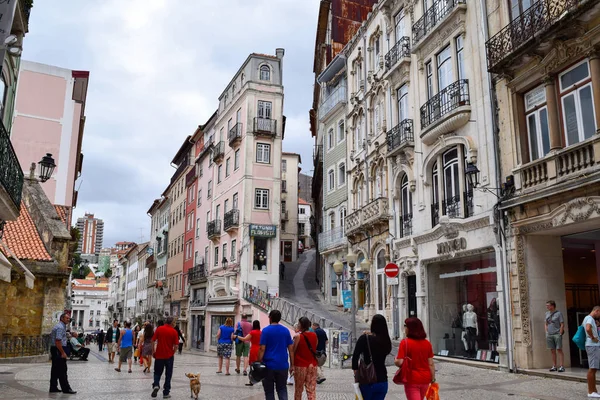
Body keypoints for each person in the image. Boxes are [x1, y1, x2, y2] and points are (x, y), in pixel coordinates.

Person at [352, 314, 392, 400]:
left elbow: (355, 356)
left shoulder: (364, 339)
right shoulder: (386, 341)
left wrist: (356, 373)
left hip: (367, 380)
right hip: (383, 380)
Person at [395, 317, 435, 400]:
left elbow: (399, 362)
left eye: (405, 326)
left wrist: (395, 360)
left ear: (410, 328)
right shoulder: (427, 343)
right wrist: (433, 378)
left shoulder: (405, 343)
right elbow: (430, 363)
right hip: (425, 378)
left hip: (411, 378)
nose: (404, 328)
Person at [258, 309, 294, 400]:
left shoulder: (265, 331)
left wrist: (258, 361)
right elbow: (291, 349)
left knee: (269, 391)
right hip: (283, 365)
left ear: (270, 318)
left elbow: (262, 349)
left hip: (268, 366)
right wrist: (292, 365)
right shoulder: (286, 331)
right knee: (282, 389)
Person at [152, 316, 179, 399]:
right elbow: (176, 346)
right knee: (168, 374)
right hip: (169, 356)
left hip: (159, 355)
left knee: (157, 372)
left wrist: (153, 351)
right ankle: (166, 393)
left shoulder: (159, 329)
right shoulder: (174, 331)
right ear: (172, 323)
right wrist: (173, 352)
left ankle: (156, 384)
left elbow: (153, 340)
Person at [49, 313, 76, 394]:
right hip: (58, 349)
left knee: (55, 369)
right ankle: (66, 388)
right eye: (67, 318)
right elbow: (58, 341)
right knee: (63, 370)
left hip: (55, 349)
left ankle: (53, 387)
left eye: (69, 318)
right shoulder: (60, 327)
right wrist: (63, 352)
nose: (68, 319)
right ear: (62, 318)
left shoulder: (60, 326)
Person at [292, 317, 318, 400]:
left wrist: (291, 365)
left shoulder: (298, 336)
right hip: (312, 365)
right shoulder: (314, 335)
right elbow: (315, 347)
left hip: (300, 365)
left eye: (299, 323)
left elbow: (293, 351)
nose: (298, 325)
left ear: (302, 325)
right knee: (311, 389)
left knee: (299, 389)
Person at [235, 320, 262, 386]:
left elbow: (244, 339)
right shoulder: (262, 332)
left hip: (253, 349)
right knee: (260, 364)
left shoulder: (252, 332)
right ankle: (261, 379)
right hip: (260, 349)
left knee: (252, 366)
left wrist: (237, 336)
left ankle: (251, 381)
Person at [544, 300, 565, 372]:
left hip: (557, 333)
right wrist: (546, 331)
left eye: (548, 305)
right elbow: (546, 323)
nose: (547, 306)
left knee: (559, 349)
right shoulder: (546, 314)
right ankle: (554, 365)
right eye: (546, 305)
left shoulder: (559, 314)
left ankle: (561, 366)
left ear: (552, 306)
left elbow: (562, 323)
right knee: (552, 350)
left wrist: (560, 332)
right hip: (550, 334)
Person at [584, 306, 600, 398]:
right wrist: (593, 337)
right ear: (596, 311)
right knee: (592, 368)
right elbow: (588, 328)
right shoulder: (589, 318)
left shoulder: (588, 318)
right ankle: (591, 391)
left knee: (593, 368)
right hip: (592, 345)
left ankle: (594, 390)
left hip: (591, 345)